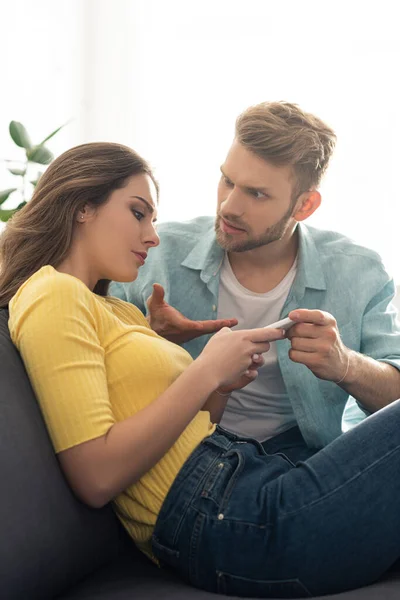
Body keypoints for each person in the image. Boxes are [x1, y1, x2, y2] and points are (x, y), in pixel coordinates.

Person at [2, 142, 400, 599]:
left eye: (152, 219)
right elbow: (95, 478)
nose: (153, 236)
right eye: (138, 213)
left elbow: (188, 429)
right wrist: (205, 370)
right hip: (227, 515)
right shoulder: (51, 294)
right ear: (82, 207)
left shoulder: (116, 310)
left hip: (242, 486)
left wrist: (222, 384)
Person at [110, 101, 400, 459]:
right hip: (189, 452)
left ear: (304, 206)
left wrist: (345, 365)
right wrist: (147, 336)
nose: (229, 206)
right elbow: (96, 355)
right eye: (227, 181)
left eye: (256, 193)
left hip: (302, 457)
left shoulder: (359, 271)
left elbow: (395, 395)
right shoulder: (155, 252)